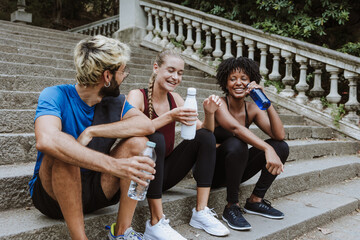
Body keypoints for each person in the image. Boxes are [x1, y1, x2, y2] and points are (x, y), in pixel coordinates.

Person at [28, 35, 156, 240]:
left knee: (139, 143)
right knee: (65, 149)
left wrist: (92, 131)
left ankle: (123, 232)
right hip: (53, 196)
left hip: (95, 189)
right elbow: (46, 139)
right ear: (107, 76)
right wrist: (114, 166)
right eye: (123, 72)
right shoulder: (55, 95)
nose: (125, 76)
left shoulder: (115, 102)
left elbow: (146, 125)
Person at [127, 49, 230, 239]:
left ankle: (201, 211)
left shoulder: (176, 99)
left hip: (165, 173)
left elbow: (205, 131)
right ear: (156, 68)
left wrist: (209, 113)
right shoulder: (137, 95)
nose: (175, 77)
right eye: (171, 70)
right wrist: (170, 117)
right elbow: (128, 129)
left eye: (180, 73)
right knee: (154, 139)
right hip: (140, 173)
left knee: (206, 137)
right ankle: (155, 222)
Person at [212, 57, 289, 231]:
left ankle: (255, 200)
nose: (238, 83)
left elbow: (279, 134)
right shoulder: (218, 103)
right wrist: (266, 148)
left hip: (236, 169)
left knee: (281, 146)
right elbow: (235, 128)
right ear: (225, 82)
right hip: (212, 171)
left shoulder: (252, 109)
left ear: (251, 82)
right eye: (233, 79)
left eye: (244, 79)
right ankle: (231, 206)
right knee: (236, 142)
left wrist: (265, 100)